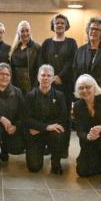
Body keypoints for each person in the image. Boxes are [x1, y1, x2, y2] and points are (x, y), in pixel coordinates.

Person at [39, 14, 77, 157]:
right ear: (53, 25)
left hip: (64, 85)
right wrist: (48, 77)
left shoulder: (72, 42)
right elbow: (42, 61)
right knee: (48, 115)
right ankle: (49, 145)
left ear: (66, 25)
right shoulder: (47, 43)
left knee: (64, 116)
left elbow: (72, 62)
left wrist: (60, 76)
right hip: (48, 86)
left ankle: (63, 148)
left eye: (62, 23)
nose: (59, 25)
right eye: (57, 23)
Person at [24, 65, 68, 174]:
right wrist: (46, 127)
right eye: (43, 75)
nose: (46, 78)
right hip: (34, 135)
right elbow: (27, 119)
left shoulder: (59, 96)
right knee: (34, 168)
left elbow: (63, 118)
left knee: (58, 132)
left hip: (49, 132)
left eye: (49, 76)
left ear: (53, 79)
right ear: (38, 77)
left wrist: (43, 128)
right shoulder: (30, 96)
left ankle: (55, 162)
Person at [73, 17, 101, 96]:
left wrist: (95, 87)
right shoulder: (80, 50)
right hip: (83, 93)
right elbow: (75, 72)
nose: (94, 31)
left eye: (97, 29)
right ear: (88, 30)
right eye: (92, 28)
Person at [10, 20, 41, 95]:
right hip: (16, 84)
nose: (25, 33)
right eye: (22, 31)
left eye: (27, 30)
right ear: (18, 33)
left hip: (30, 84)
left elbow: (39, 68)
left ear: (30, 32)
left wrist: (35, 87)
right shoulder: (14, 48)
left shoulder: (37, 47)